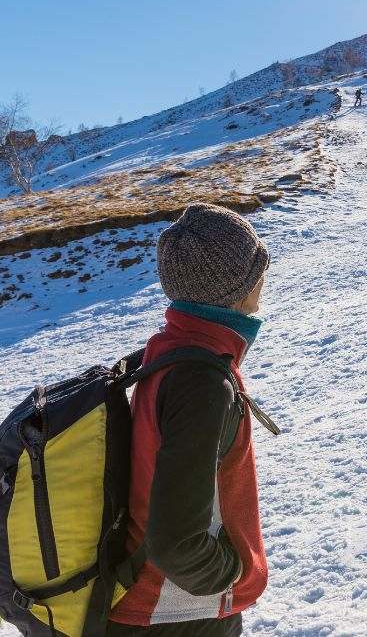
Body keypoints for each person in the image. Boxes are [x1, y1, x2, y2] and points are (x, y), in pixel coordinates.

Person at [108, 204, 271, 637]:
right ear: (239, 287)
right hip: (176, 615)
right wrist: (230, 576)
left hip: (158, 609)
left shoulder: (171, 353)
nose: (264, 281)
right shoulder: (201, 383)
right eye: (258, 271)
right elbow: (176, 543)